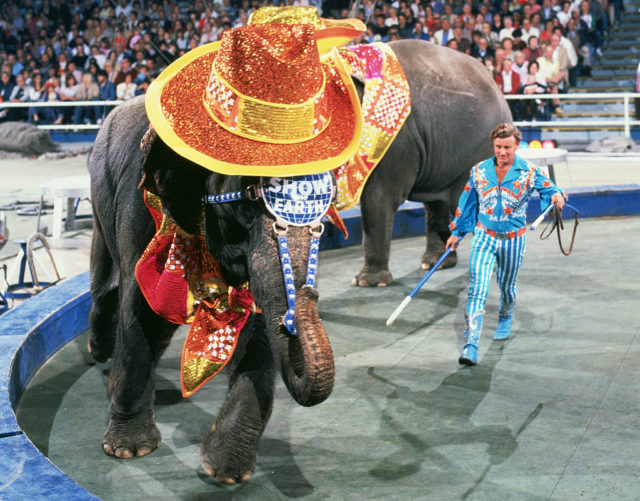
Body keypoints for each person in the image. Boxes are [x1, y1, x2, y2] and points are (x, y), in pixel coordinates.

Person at [445, 123, 566, 366]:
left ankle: (505, 314)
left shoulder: (529, 172)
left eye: (507, 147)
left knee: (507, 287)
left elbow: (550, 190)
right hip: (483, 237)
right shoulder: (479, 171)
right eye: (498, 147)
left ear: (517, 146)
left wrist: (557, 197)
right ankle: (471, 345)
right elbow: (467, 201)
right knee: (477, 288)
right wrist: (457, 231)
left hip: (513, 241)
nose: (502, 152)